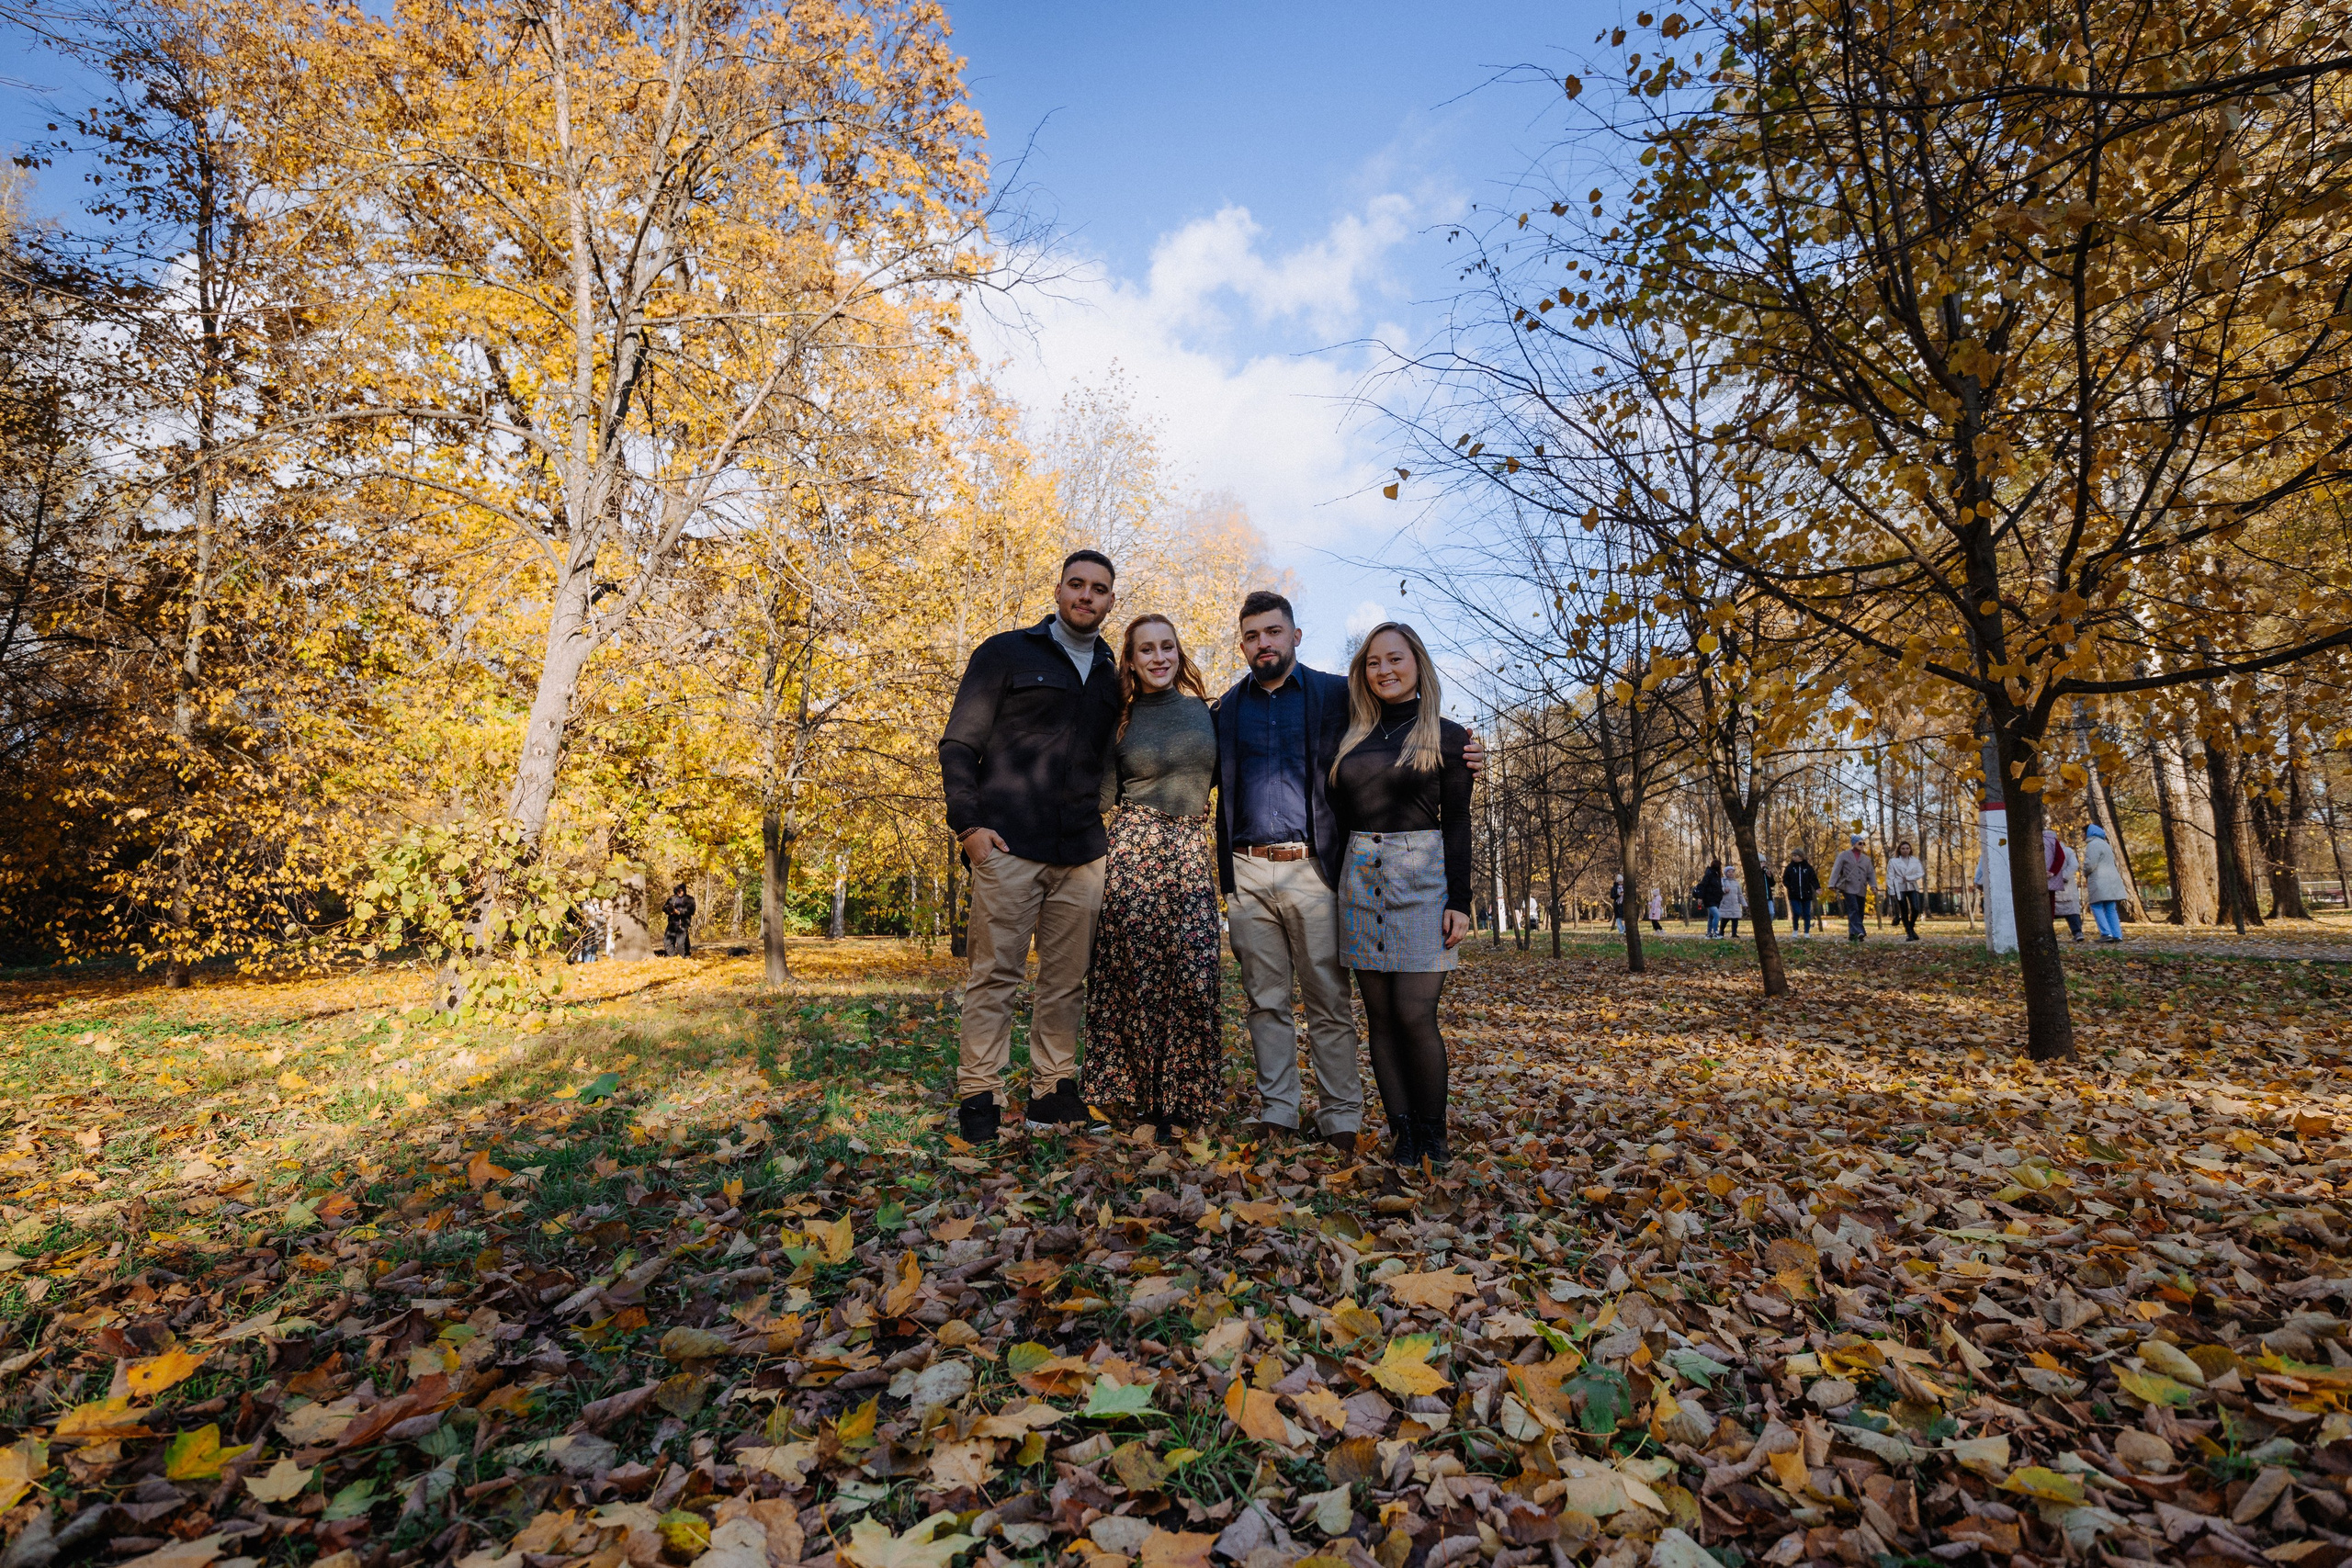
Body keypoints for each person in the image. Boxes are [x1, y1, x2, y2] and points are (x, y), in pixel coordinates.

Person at [938, 549, 1124, 1144]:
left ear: (1110, 601)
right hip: (1008, 846)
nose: (1086, 596)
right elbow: (958, 745)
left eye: (1098, 589)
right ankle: (980, 1098)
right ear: (1059, 589)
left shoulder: (1112, 674)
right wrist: (970, 829)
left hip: (1082, 856)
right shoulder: (1005, 652)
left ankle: (1051, 1093)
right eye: (1077, 584)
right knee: (995, 975)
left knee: (1066, 982)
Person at [1327, 622, 1474, 1168]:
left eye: (1395, 659)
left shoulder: (1450, 737)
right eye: (1372, 662)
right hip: (1360, 879)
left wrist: (1460, 898)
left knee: (1415, 1013)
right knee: (1380, 1019)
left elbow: (1457, 823)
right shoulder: (1350, 737)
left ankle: (1434, 1135)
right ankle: (1403, 1135)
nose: (1384, 670)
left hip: (1424, 878)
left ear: (1417, 664)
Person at [1083, 615, 1221, 1145]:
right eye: (1147, 649)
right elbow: (1099, 796)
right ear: (1132, 659)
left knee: (1194, 973)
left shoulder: (1206, 714)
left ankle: (1187, 1095)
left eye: (1167, 647)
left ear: (1178, 653)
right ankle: (1147, 1101)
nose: (1158, 657)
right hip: (1133, 852)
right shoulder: (1120, 719)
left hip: (1189, 851)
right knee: (1138, 980)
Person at [2084, 823, 2129, 942]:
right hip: (2111, 880)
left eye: (2083, 832)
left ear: (2088, 833)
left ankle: (2106, 933)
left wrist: (2084, 872)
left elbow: (2090, 864)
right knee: (2110, 907)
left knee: (2096, 905)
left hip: (2099, 879)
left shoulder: (2092, 845)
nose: (2082, 835)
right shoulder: (2105, 844)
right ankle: (2117, 934)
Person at [1830, 833, 1875, 943]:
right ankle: (1860, 931)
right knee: (1853, 908)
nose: (1862, 845)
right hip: (1849, 886)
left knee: (1859, 911)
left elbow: (1871, 873)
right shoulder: (1844, 855)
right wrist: (1832, 883)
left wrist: (1873, 885)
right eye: (1859, 843)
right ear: (1853, 843)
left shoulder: (1866, 859)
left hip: (1861, 888)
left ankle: (1853, 934)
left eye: (1863, 843)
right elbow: (1836, 869)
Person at [2048, 829, 2085, 941]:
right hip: (2061, 886)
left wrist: (2062, 876)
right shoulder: (2065, 851)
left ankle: (2076, 933)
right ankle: (2076, 933)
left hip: (2061, 884)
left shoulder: (2065, 851)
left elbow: (2074, 865)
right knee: (2068, 910)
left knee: (2065, 910)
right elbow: (2074, 865)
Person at [1887, 840, 1927, 942]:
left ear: (1910, 849)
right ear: (1899, 850)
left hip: (1912, 886)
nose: (1905, 850)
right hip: (1899, 887)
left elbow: (1920, 873)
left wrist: (1909, 878)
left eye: (1907, 848)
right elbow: (1890, 876)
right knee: (1904, 909)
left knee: (1916, 908)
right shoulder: (1893, 861)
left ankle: (1911, 927)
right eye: (1903, 848)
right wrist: (1891, 890)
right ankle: (1909, 933)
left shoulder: (1915, 860)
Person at [1783, 848, 1820, 936]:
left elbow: (1813, 879)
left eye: (1795, 856)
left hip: (1806, 894)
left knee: (1807, 913)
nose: (1793, 858)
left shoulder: (1808, 867)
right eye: (1793, 856)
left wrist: (1817, 888)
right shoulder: (1790, 867)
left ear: (1801, 857)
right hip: (1794, 894)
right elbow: (1785, 879)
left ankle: (1806, 932)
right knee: (1796, 912)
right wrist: (1790, 887)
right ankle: (1795, 929)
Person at [662, 883, 696, 957]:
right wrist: (669, 911)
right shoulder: (672, 899)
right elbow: (664, 908)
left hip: (683, 924)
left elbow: (691, 911)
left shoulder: (690, 899)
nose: (679, 892)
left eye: (681, 891)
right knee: (667, 942)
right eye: (678, 891)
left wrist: (679, 912)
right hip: (672, 924)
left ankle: (682, 958)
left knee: (680, 944)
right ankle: (672, 956)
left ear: (684, 891)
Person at [1697, 860, 1724, 938]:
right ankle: (1715, 931)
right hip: (1709, 899)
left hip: (1716, 899)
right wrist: (1700, 897)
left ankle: (1709, 933)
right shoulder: (1709, 875)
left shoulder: (1717, 875)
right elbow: (1703, 886)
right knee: (1717, 915)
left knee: (1711, 917)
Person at [1717, 865, 1746, 938]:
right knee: (1725, 919)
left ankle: (1734, 933)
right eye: (1729, 872)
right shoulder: (1722, 881)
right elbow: (1717, 891)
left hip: (1735, 904)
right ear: (1726, 873)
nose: (1731, 873)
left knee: (1735, 919)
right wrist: (1724, 890)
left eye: (1732, 872)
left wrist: (1744, 904)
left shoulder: (1736, 883)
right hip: (1725, 904)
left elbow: (1739, 894)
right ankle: (1721, 932)